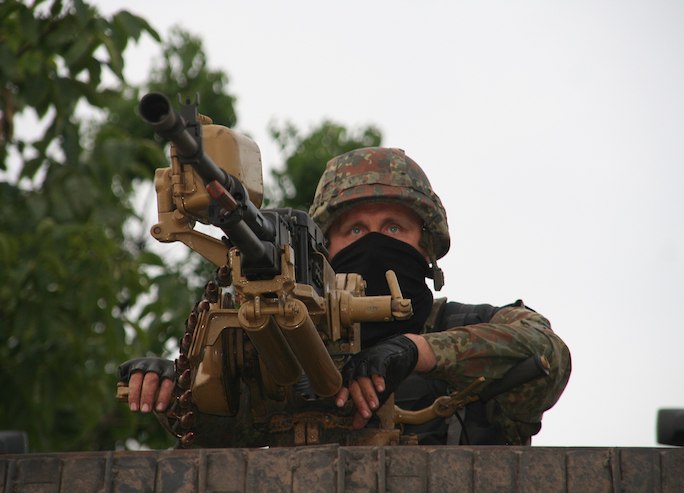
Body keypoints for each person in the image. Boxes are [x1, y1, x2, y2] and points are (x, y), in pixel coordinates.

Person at [119, 147, 571, 445]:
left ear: (426, 247)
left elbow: (548, 355)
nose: (374, 242)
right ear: (324, 252)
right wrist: (173, 387)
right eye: (354, 230)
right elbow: (212, 444)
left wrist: (416, 351)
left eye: (393, 227)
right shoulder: (278, 354)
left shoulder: (464, 325)